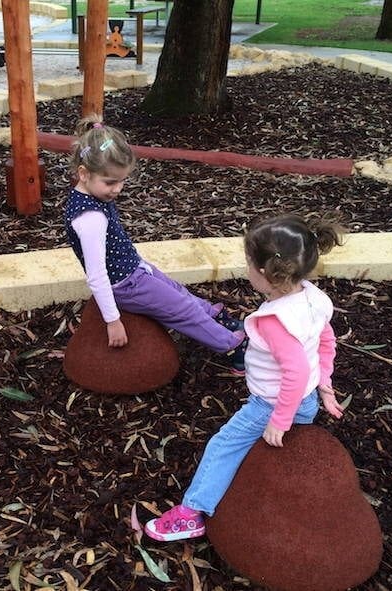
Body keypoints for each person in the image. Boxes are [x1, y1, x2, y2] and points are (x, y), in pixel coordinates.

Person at [144, 213, 346, 542]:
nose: (247, 268)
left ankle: (191, 512)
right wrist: (324, 384)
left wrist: (279, 419)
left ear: (264, 271)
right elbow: (326, 342)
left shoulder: (273, 321)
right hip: (307, 401)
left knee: (223, 445)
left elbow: (294, 371)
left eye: (248, 262)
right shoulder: (314, 298)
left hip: (273, 404)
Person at [64, 114, 247, 371]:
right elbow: (96, 275)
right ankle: (232, 348)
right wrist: (113, 320)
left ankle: (216, 319)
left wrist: (141, 265)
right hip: (125, 286)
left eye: (122, 181)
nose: (117, 189)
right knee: (181, 310)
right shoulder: (90, 218)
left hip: (134, 270)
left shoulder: (95, 197)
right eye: (110, 182)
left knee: (179, 292)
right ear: (84, 174)